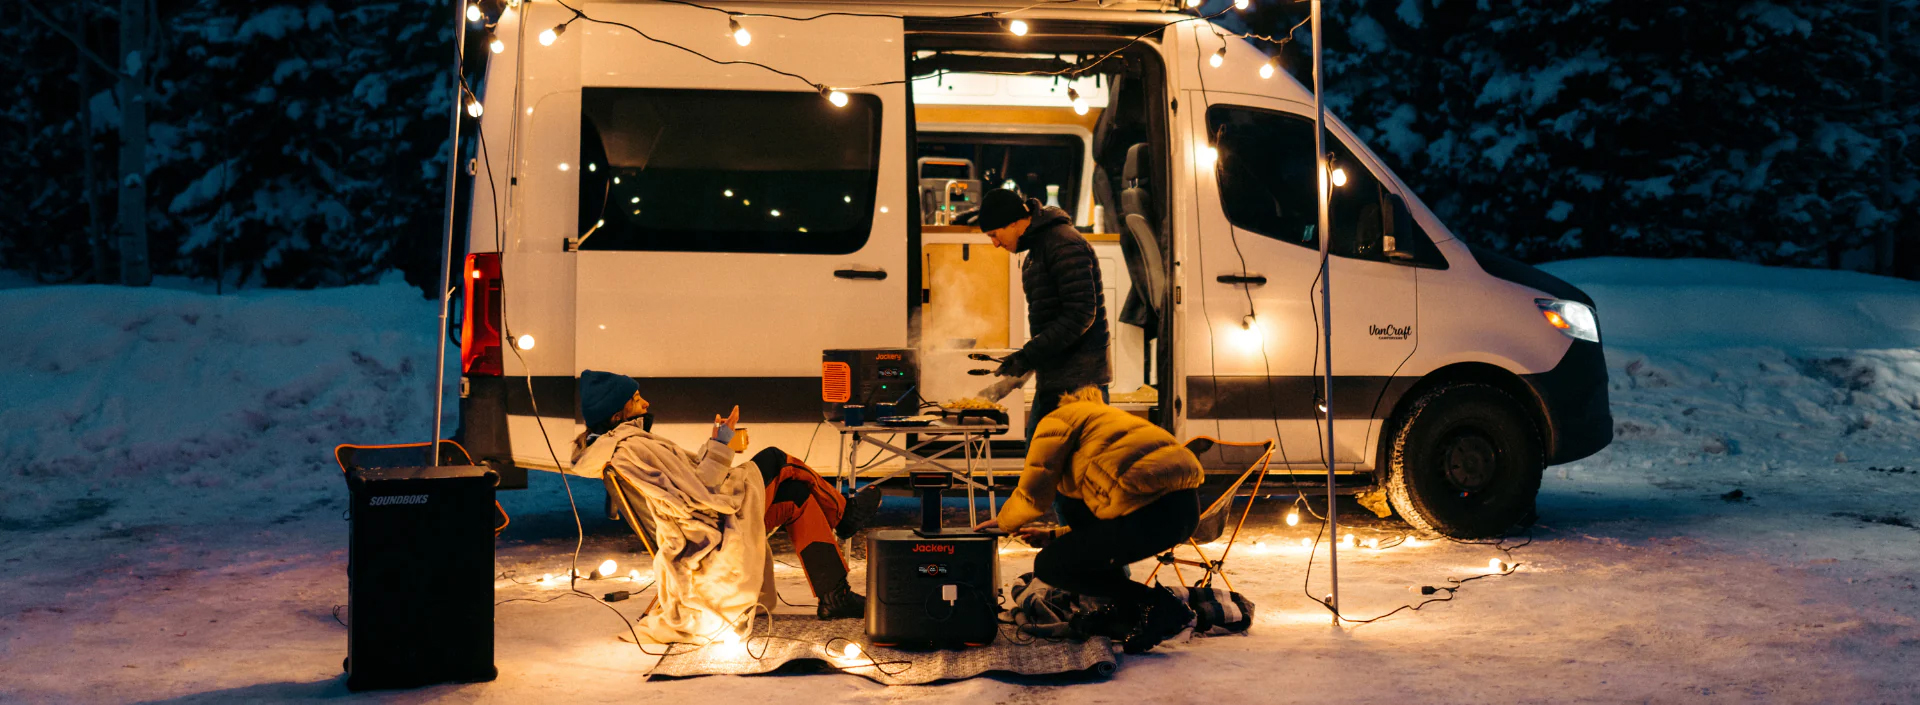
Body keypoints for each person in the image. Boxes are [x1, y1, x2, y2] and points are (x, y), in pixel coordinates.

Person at [571, 371, 881, 625]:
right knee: (776, 459)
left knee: (797, 497)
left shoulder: (623, 446)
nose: (646, 403)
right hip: (712, 533)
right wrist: (722, 443)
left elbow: (688, 483)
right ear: (617, 412)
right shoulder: (632, 448)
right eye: (637, 400)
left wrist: (717, 440)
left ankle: (834, 596)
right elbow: (703, 489)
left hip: (707, 524)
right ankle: (844, 515)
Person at [974, 386, 1203, 654]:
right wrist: (1051, 536)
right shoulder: (1102, 417)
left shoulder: (1055, 421)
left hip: (1148, 515)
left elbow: (1034, 492)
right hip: (1184, 512)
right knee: (1075, 505)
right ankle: (1127, 615)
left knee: (1050, 566)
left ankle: (1158, 605)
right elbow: (1103, 520)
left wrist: (1004, 522)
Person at [974, 187, 1112, 438]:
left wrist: (1026, 356)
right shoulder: (1037, 251)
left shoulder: (1063, 244)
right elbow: (1051, 329)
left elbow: (1079, 315)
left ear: (1014, 223)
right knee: (1042, 464)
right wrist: (1012, 379)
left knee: (1070, 469)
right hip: (1058, 379)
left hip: (1081, 385)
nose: (994, 244)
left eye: (995, 234)